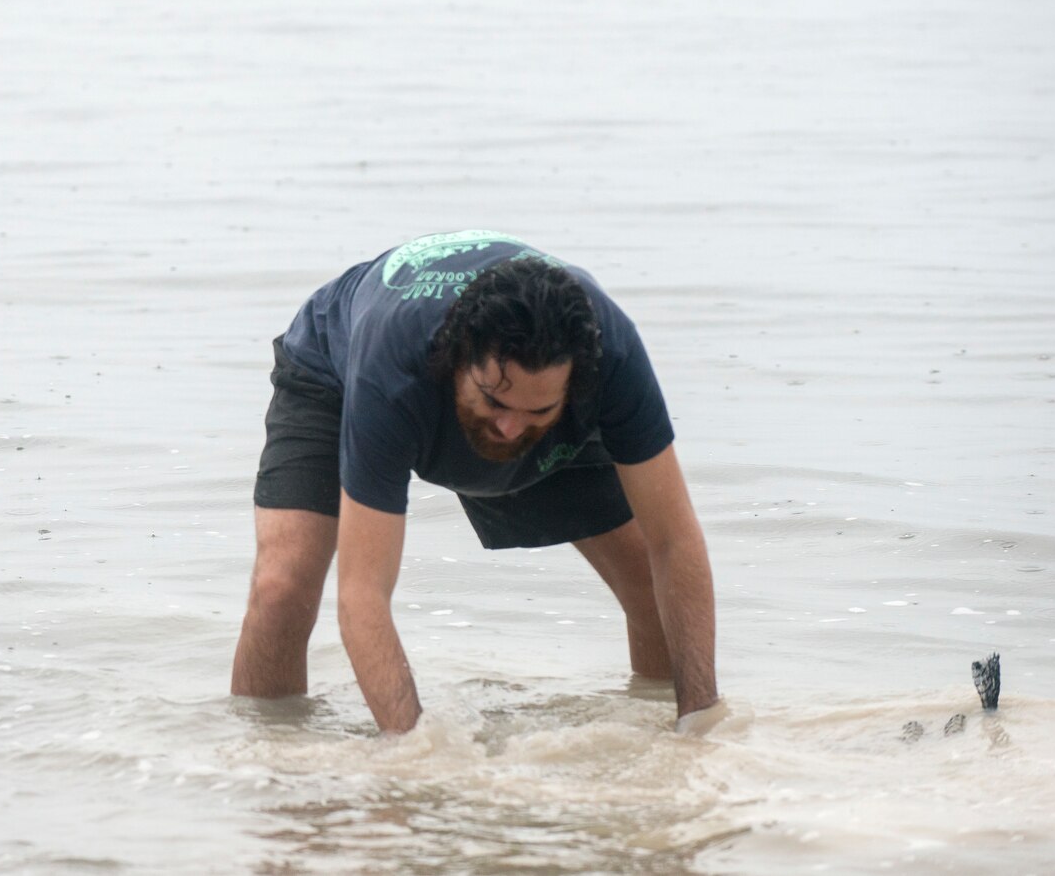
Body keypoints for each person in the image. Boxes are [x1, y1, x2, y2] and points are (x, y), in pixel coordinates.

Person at [229, 230, 721, 734]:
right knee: (282, 587)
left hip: (523, 396)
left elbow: (674, 541)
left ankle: (655, 747)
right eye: (496, 402)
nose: (510, 428)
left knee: (644, 581)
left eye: (537, 408)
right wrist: (416, 754)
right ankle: (269, 768)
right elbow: (363, 594)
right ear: (458, 359)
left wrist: (700, 724)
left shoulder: (613, 352)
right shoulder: (394, 370)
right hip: (332, 373)